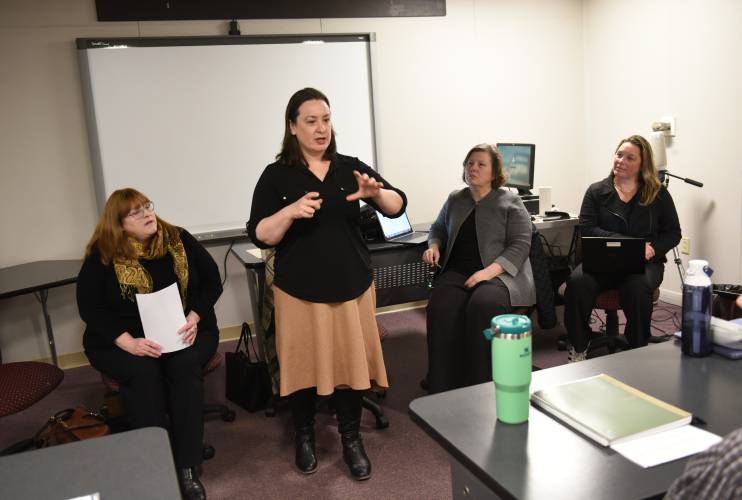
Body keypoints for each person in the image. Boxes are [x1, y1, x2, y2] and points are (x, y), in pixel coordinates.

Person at [246, 88, 405, 480]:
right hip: (298, 290)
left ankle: (352, 439)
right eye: (311, 121)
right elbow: (260, 234)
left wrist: (376, 194)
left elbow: (398, 204)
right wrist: (289, 211)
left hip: (351, 286)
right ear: (292, 127)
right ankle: (304, 436)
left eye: (326, 120)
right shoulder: (276, 175)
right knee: (302, 367)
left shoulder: (348, 166)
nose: (321, 129)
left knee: (351, 367)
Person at [77, 188, 222, 500]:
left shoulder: (178, 239)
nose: (147, 214)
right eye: (135, 212)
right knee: (143, 372)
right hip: (121, 339)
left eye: (147, 207)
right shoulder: (103, 253)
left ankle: (186, 465)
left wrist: (195, 317)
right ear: (118, 224)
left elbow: (212, 281)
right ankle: (155, 462)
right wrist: (126, 341)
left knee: (182, 365)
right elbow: (89, 307)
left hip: (187, 329)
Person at [422, 143, 536, 394]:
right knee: (441, 307)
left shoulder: (511, 201)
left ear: (494, 173)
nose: (473, 168)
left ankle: (481, 384)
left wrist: (486, 273)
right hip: (458, 271)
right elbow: (438, 228)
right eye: (469, 163)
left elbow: (521, 245)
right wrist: (434, 246)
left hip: (500, 274)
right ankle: (442, 383)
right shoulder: (456, 198)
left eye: (481, 164)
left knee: (483, 306)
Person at [564, 135, 681, 362]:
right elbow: (587, 229)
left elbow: (673, 233)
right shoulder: (596, 191)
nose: (621, 160)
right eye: (619, 154)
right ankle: (579, 346)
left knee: (637, 289)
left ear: (642, 164)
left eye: (629, 157)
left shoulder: (658, 194)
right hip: (601, 262)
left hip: (643, 264)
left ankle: (637, 350)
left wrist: (653, 249)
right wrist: (631, 243)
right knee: (577, 283)